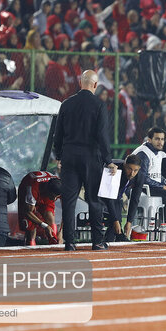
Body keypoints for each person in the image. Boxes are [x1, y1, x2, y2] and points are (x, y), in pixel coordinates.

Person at [53, 69, 118, 251]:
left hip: (69, 157)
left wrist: (59, 156)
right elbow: (102, 136)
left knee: (69, 200)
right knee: (93, 199)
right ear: (95, 85)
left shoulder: (66, 104)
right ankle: (97, 241)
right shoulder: (99, 105)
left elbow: (58, 134)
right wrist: (108, 160)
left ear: (80, 83)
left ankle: (70, 242)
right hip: (91, 158)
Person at [131, 127, 166, 225]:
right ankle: (161, 225)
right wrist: (162, 186)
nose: (160, 142)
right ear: (149, 140)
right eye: (157, 139)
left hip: (153, 187)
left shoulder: (158, 152)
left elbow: (156, 175)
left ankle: (159, 223)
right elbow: (142, 178)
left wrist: (164, 185)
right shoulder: (143, 153)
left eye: (162, 139)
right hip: (142, 187)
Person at [100, 154, 142, 242]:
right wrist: (116, 220)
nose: (132, 173)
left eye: (135, 170)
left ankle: (111, 240)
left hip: (116, 197)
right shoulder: (115, 169)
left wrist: (129, 222)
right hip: (100, 194)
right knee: (116, 219)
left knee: (117, 217)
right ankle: (116, 237)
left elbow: (135, 199)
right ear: (124, 165)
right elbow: (109, 197)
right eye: (129, 169)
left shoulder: (139, 176)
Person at [18, 171, 62, 246]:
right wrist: (44, 225)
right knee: (30, 225)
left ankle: (53, 240)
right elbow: (28, 212)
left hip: (45, 190)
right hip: (28, 188)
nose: (54, 198)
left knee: (49, 216)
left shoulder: (60, 187)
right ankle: (31, 242)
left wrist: (60, 233)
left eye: (57, 197)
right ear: (47, 190)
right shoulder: (32, 188)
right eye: (53, 196)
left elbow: (67, 212)